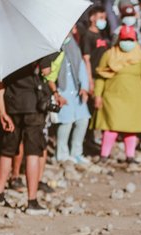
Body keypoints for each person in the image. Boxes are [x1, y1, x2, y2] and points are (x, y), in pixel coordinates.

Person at [0, 57, 55, 214]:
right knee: (33, 152)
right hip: (33, 106)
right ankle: (32, 201)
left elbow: (0, 83)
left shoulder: (5, 52)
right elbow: (47, 71)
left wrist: (2, 112)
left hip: (11, 105)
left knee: (7, 151)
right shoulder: (35, 46)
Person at [93, 25, 141, 163]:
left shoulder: (139, 56)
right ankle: (104, 155)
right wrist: (97, 95)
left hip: (134, 98)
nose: (127, 42)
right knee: (111, 127)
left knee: (131, 128)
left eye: (130, 39)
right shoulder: (109, 55)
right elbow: (100, 77)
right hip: (113, 97)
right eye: (124, 39)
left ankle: (130, 156)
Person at [48, 31, 92, 164]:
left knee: (83, 120)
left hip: (76, 90)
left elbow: (81, 67)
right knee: (66, 122)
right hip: (62, 90)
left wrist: (84, 87)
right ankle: (61, 154)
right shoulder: (53, 47)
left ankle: (77, 153)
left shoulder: (73, 45)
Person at [81, 5, 110, 96]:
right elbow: (86, 60)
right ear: (92, 18)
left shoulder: (103, 34)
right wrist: (89, 81)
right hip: (94, 76)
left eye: (105, 18)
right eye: (101, 17)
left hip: (104, 74)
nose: (103, 20)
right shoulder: (87, 36)